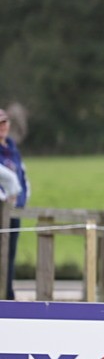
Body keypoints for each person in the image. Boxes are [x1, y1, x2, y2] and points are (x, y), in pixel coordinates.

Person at [0, 108, 30, 300]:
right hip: (1, 209)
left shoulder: (13, 150)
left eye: (4, 123)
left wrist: (20, 200)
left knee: (9, 255)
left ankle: (7, 293)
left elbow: (21, 178)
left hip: (13, 212)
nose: (2, 127)